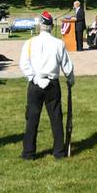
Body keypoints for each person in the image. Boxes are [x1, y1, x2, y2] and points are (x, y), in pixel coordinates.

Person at [19, 11, 75, 160]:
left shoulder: (30, 43)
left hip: (35, 84)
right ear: (51, 26)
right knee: (56, 118)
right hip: (52, 84)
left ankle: (29, 153)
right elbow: (67, 65)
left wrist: (34, 79)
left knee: (32, 118)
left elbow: (24, 64)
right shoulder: (58, 43)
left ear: (40, 26)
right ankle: (58, 152)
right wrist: (70, 79)